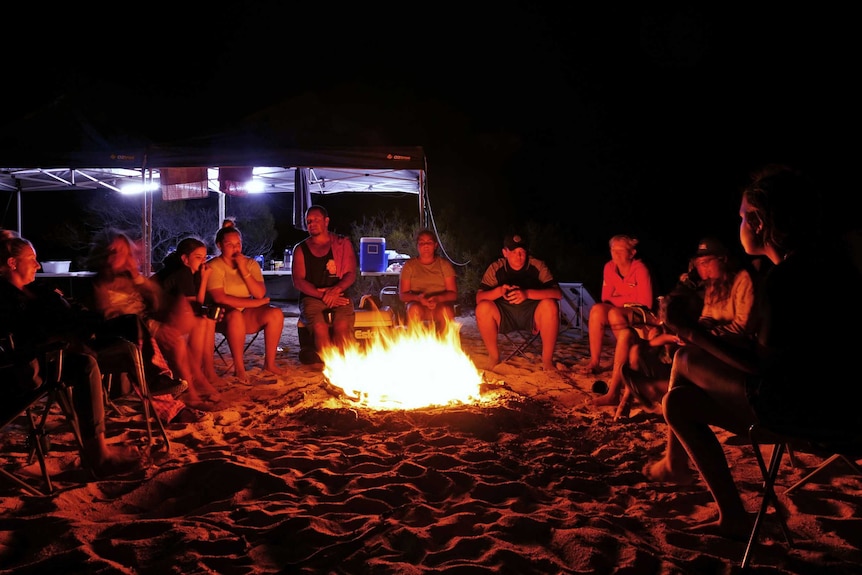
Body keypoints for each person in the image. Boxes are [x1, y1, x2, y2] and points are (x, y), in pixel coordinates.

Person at [643, 164, 862, 540]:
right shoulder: (829, 265)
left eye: (743, 217)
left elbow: (761, 366)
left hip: (809, 415)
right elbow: (772, 348)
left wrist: (687, 330)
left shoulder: (787, 279)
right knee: (677, 403)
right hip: (845, 405)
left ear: (759, 222)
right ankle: (726, 512)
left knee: (684, 358)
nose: (740, 224)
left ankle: (677, 466)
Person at [0, 233, 142, 476]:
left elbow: (61, 317)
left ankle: (155, 383)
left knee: (132, 326)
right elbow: (28, 336)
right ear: (12, 263)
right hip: (20, 371)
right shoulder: (6, 298)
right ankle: (98, 454)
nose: (37, 265)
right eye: (32, 259)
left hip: (46, 354)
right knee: (84, 364)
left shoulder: (30, 292)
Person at [597, 237, 756, 412]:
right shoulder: (714, 286)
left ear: (723, 259)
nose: (703, 269)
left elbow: (742, 326)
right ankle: (641, 391)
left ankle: (657, 389)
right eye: (700, 264)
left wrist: (704, 337)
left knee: (684, 356)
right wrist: (691, 333)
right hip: (712, 342)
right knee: (647, 349)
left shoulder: (742, 280)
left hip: (734, 349)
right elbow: (707, 316)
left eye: (707, 262)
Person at [89, 229, 208, 422]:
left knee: (176, 338)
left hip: (142, 330)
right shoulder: (99, 284)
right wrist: (153, 327)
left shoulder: (128, 278)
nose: (122, 257)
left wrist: (137, 278)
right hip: (122, 339)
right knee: (164, 342)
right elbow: (109, 319)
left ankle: (189, 390)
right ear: (104, 254)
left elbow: (157, 298)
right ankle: (174, 405)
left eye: (124, 251)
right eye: (115, 252)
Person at [206, 225, 285, 382]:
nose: (235, 248)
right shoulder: (214, 265)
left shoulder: (250, 264)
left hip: (246, 314)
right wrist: (255, 304)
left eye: (238, 244)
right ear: (219, 245)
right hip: (221, 316)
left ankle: (269, 364)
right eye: (230, 244)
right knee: (235, 315)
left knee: (275, 314)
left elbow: (259, 293)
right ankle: (239, 368)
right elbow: (220, 298)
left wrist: (244, 270)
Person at [475, 233, 562, 372]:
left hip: (532, 314)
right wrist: (498, 291)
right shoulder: (496, 268)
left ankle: (547, 360)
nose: (518, 256)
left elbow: (557, 293)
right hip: (504, 314)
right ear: (505, 252)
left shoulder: (537, 265)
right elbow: (479, 298)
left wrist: (527, 294)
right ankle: (494, 356)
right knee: (482, 308)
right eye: (514, 252)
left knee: (550, 305)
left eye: (522, 252)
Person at [153, 237, 224, 406]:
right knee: (199, 323)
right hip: (155, 319)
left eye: (205, 257)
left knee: (205, 321)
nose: (203, 261)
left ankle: (199, 375)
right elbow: (195, 305)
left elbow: (195, 306)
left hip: (168, 316)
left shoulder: (189, 272)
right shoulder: (182, 272)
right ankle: (194, 379)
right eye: (198, 257)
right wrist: (205, 279)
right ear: (185, 259)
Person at [579, 234, 654, 375]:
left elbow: (646, 302)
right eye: (613, 250)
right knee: (596, 310)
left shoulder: (640, 269)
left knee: (614, 313)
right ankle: (594, 362)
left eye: (621, 251)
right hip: (623, 308)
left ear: (632, 253)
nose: (616, 254)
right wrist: (631, 296)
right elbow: (605, 298)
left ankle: (625, 362)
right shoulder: (609, 267)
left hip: (643, 312)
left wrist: (618, 298)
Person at [291, 205, 357, 359]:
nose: (312, 224)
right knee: (320, 327)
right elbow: (298, 281)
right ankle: (329, 365)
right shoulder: (300, 249)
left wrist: (335, 290)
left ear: (326, 221)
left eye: (316, 220)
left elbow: (350, 273)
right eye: (309, 221)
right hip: (312, 297)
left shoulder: (341, 243)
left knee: (342, 325)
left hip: (339, 294)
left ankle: (342, 363)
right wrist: (323, 295)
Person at [399, 229, 458, 331]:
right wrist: (418, 298)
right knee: (413, 310)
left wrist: (437, 299)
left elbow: (453, 294)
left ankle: (445, 343)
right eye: (422, 243)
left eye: (429, 242)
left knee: (447, 311)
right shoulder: (409, 266)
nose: (425, 246)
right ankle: (415, 342)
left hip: (440, 305)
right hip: (417, 304)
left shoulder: (444, 265)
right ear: (417, 246)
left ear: (435, 245)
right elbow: (403, 295)